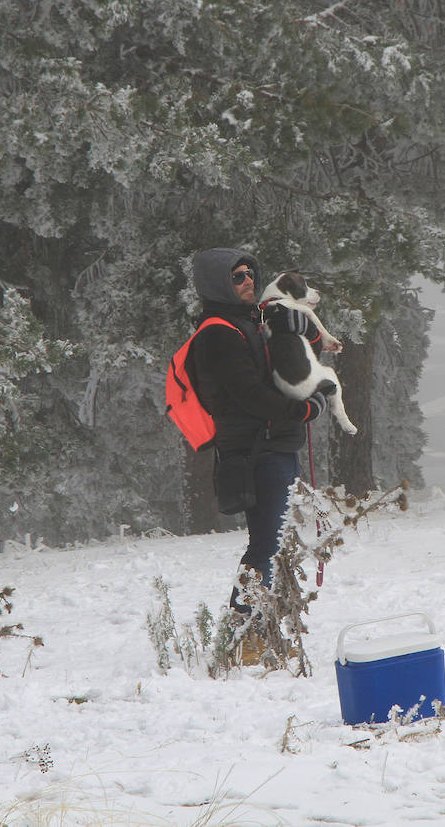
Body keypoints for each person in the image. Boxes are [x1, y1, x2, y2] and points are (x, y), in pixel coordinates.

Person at [188, 247, 326, 658]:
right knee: (265, 545)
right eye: (236, 277)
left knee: (273, 543)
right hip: (255, 453)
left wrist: (297, 324)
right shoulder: (218, 334)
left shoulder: (249, 322)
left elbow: (301, 352)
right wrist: (304, 408)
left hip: (274, 446)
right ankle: (245, 636)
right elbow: (250, 396)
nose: (248, 281)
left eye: (250, 273)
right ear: (218, 286)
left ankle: (261, 630)